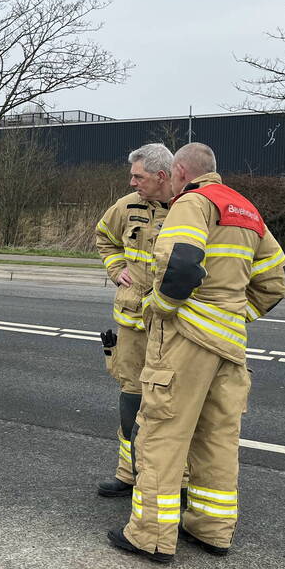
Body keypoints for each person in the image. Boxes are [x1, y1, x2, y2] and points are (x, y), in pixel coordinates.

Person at [108, 143, 285, 563]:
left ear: (179, 171)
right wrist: (235, 316)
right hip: (229, 345)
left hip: (185, 342)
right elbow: (277, 280)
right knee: (217, 440)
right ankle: (211, 530)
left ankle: (150, 537)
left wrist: (160, 308)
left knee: (162, 436)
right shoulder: (245, 209)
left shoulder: (192, 202)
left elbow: (182, 264)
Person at [95, 143, 174, 497]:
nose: (132, 183)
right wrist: (116, 269)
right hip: (132, 321)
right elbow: (104, 237)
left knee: (170, 405)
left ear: (162, 176)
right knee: (131, 398)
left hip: (172, 325)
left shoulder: (189, 208)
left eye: (138, 177)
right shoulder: (126, 206)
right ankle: (128, 473)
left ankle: (175, 482)